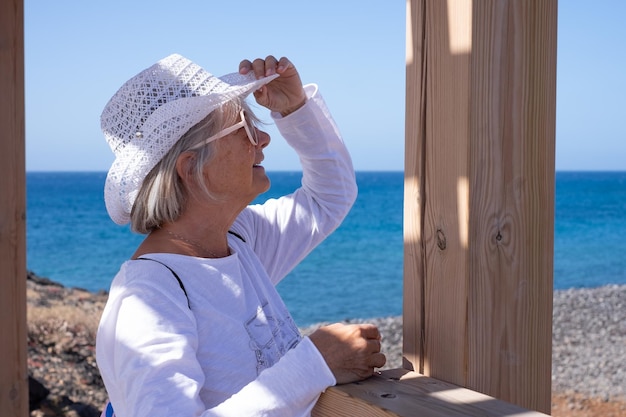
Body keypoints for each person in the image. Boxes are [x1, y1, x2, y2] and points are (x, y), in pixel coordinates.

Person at [95, 53, 386, 417]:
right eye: (246, 128)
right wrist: (315, 364)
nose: (264, 137)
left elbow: (330, 197)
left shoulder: (236, 240)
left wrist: (295, 110)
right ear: (191, 168)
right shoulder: (147, 298)